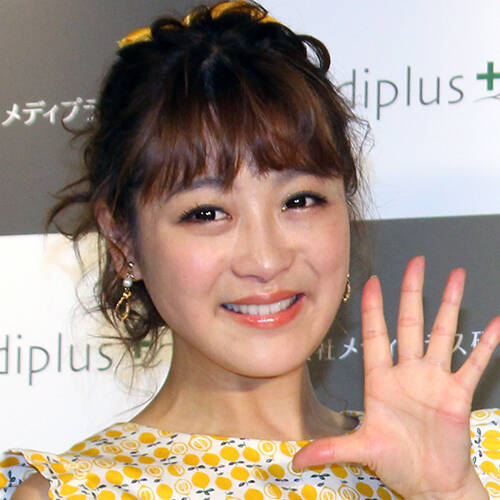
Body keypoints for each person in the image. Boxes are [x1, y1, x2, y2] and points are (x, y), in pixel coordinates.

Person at [2, 1, 499, 499]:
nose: (266, 260)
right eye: (206, 213)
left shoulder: (474, 461)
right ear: (122, 241)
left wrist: (449, 492)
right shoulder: (74, 492)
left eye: (299, 201)